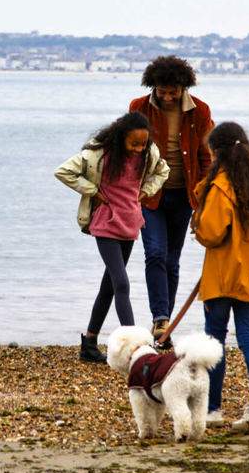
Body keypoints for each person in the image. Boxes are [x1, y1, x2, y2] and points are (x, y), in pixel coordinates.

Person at [55, 111, 169, 363]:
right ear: (120, 139)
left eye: (143, 143)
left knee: (109, 286)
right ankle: (137, 348)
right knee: (121, 283)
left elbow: (163, 171)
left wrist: (146, 191)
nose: (139, 148)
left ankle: (90, 343)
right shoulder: (99, 155)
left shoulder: (148, 154)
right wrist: (92, 190)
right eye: (134, 144)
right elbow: (63, 171)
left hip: (130, 222)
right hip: (105, 222)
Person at [192, 121, 249, 428]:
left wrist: (197, 225)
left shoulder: (221, 187)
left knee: (215, 340)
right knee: (248, 337)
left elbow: (212, 233)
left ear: (217, 153)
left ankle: (212, 410)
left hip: (223, 275)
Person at [129, 55, 213, 344]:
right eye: (161, 91)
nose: (166, 97)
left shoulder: (200, 110)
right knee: (154, 252)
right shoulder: (138, 108)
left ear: (183, 87)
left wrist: (204, 197)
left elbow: (205, 156)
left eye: (172, 92)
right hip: (149, 194)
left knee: (171, 260)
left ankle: (167, 321)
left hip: (184, 195)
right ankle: (160, 319)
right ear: (152, 85)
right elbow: (129, 149)